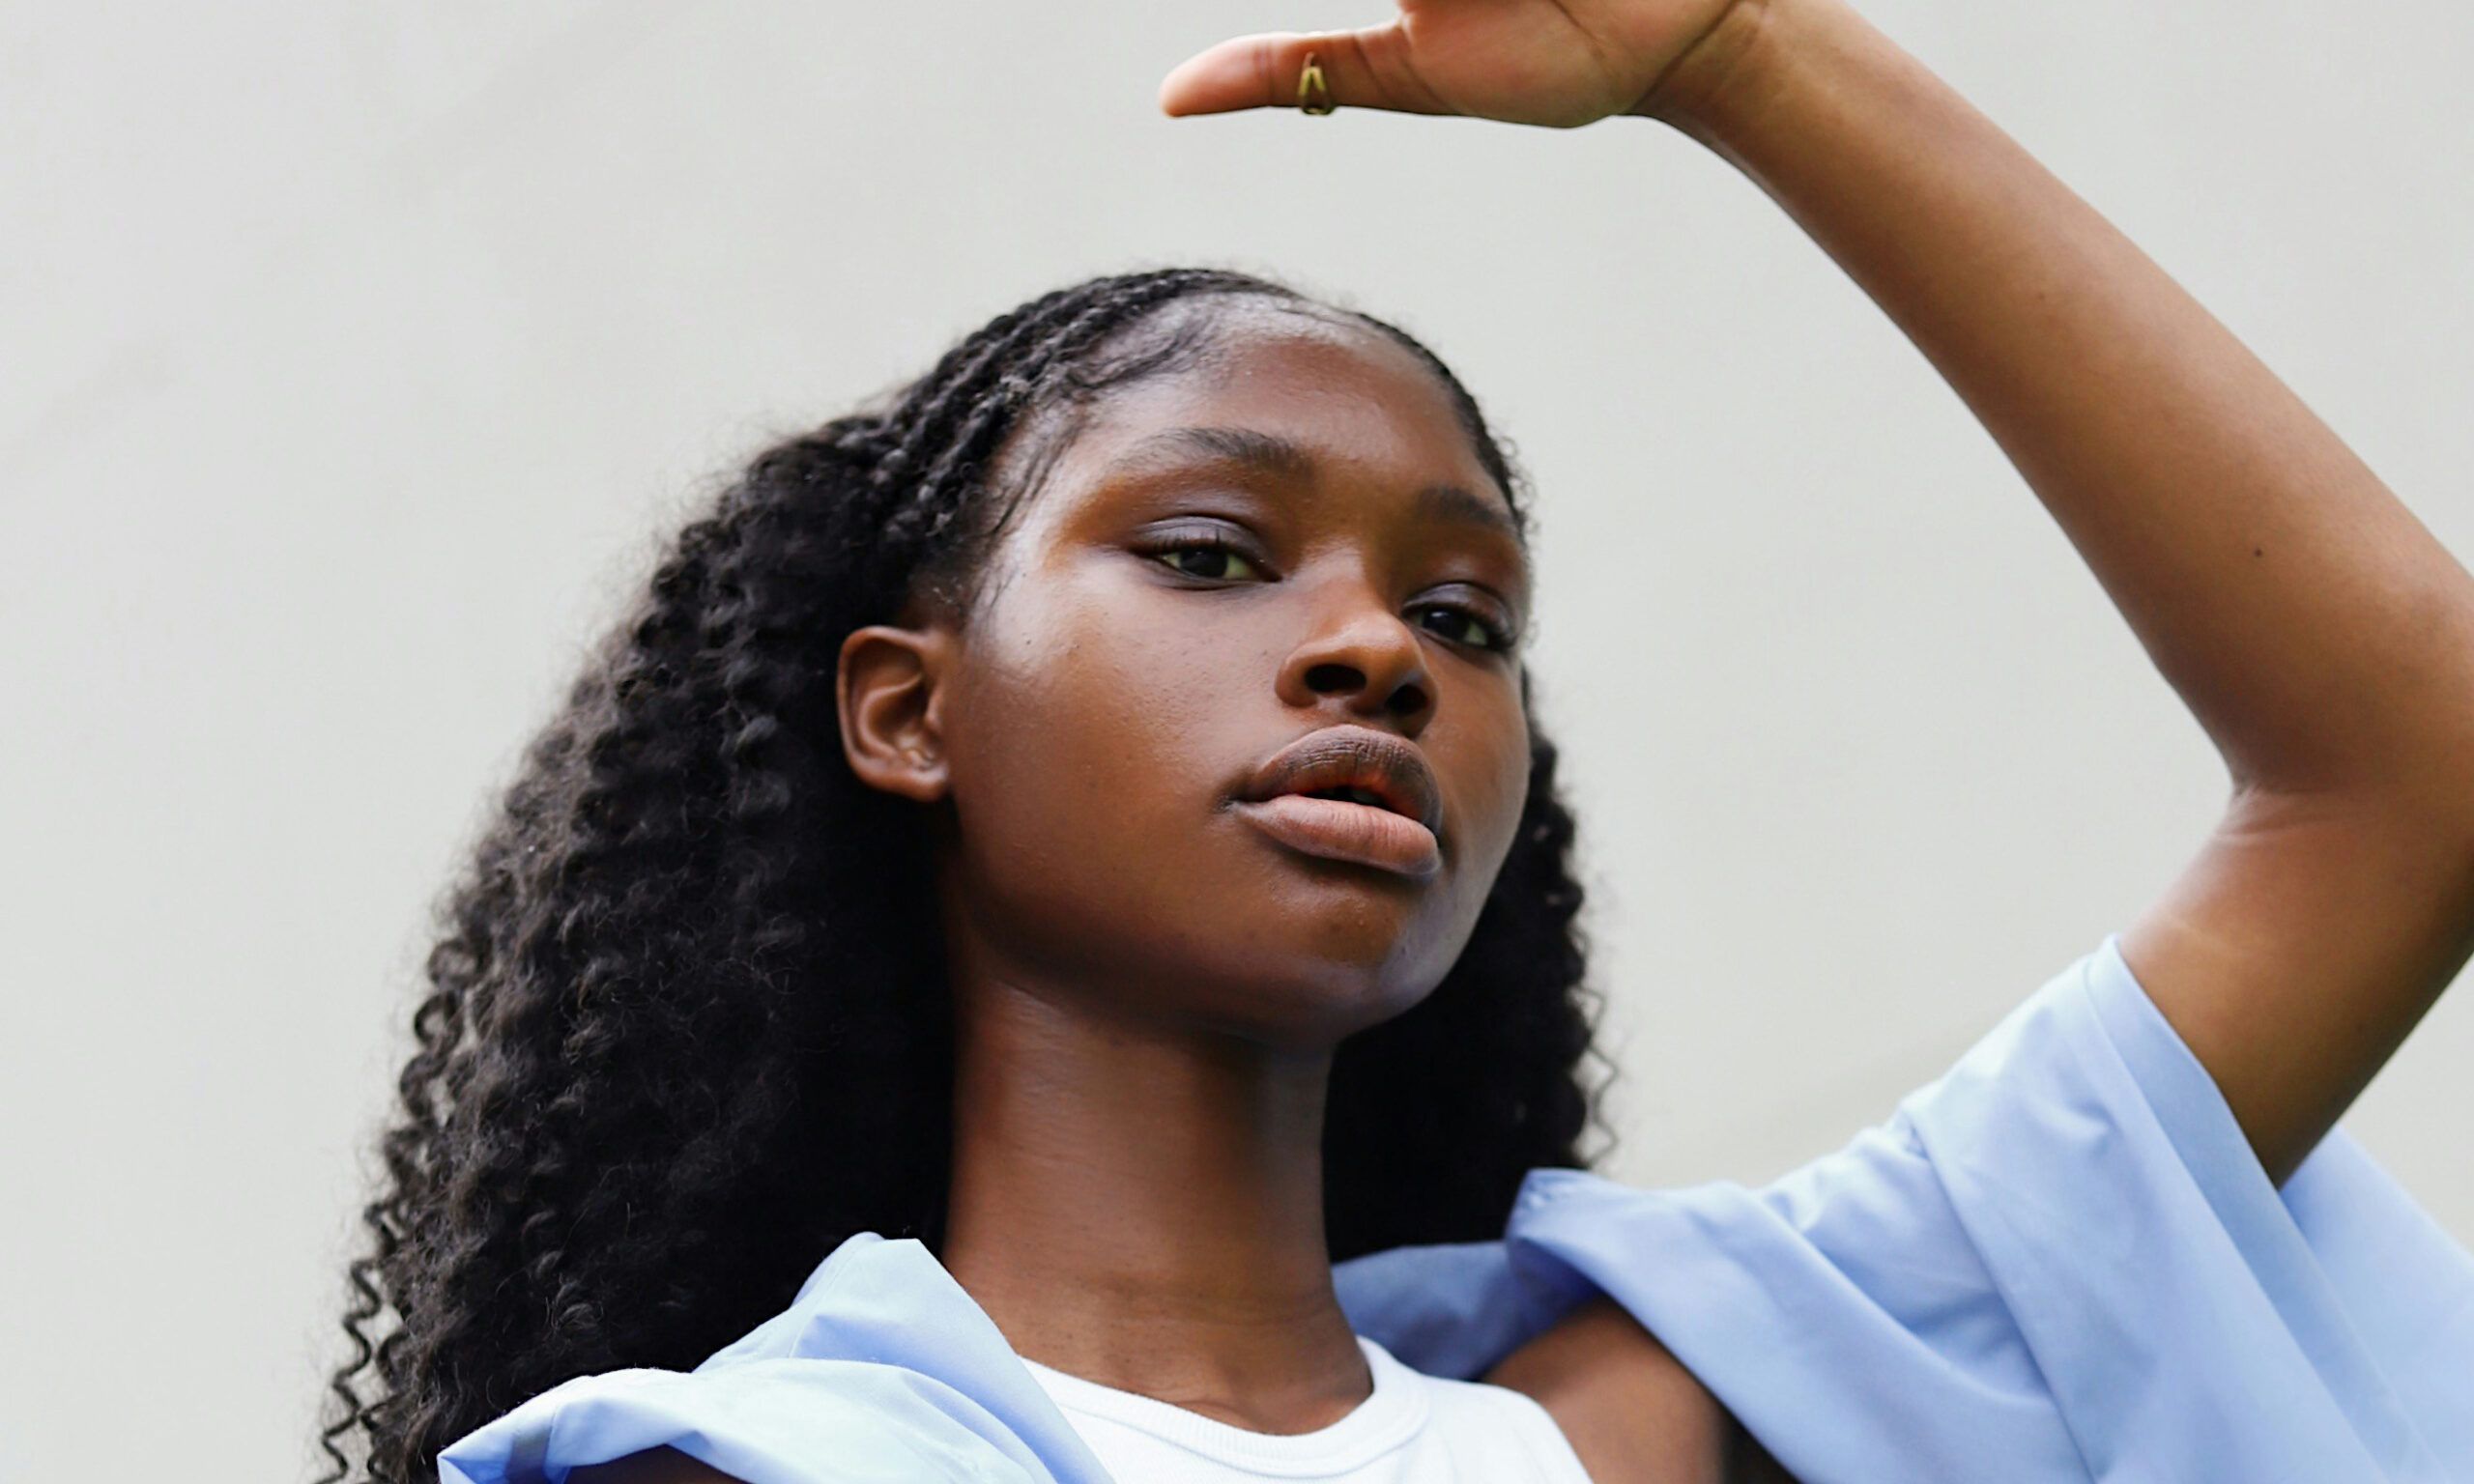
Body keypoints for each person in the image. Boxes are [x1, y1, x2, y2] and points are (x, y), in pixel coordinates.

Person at [316, 0, 2474, 1479]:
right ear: (906, 711)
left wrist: (1748, 58)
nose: (1372, 649)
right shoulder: (739, 1466)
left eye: (1462, 614)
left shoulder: (1649, 1421)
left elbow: (2409, 770)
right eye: (1208, 553)